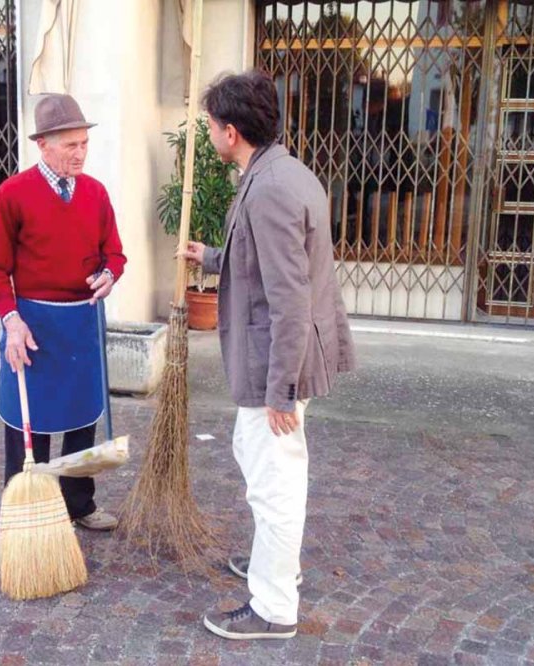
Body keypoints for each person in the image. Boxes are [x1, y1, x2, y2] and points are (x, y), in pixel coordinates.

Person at [183, 71, 356, 639]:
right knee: (262, 461)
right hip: (276, 357)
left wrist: (282, 388)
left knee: (273, 479)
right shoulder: (278, 171)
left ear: (230, 131)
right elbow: (261, 260)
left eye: (210, 124)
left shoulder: (272, 186)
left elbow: (289, 295)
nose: (209, 131)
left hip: (274, 362)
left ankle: (275, 605)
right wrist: (210, 256)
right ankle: (273, 563)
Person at [0, 93, 126, 531]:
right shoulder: (13, 195)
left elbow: (114, 254)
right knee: (32, 422)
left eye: (84, 144)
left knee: (81, 418)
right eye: (71, 146)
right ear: (43, 144)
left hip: (81, 322)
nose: (80, 153)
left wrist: (110, 275)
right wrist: (12, 321)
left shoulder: (96, 194)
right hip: (33, 325)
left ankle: (79, 504)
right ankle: (24, 509)